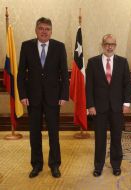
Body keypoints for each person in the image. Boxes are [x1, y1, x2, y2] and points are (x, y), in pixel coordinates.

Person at [17, 17, 69, 178]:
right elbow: (20, 74)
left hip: (53, 98)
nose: (44, 31)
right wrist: (23, 94)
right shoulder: (26, 46)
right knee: (34, 133)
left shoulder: (59, 47)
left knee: (54, 133)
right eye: (41, 28)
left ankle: (54, 165)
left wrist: (63, 95)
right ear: (36, 30)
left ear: (51, 31)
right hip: (32, 98)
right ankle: (36, 165)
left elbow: (64, 74)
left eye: (47, 29)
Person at [86, 34, 131, 177]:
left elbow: (127, 85)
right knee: (99, 138)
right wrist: (90, 105)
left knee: (116, 138)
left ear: (115, 46)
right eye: (106, 44)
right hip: (98, 108)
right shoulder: (92, 62)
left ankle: (116, 165)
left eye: (112, 44)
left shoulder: (123, 62)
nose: (109, 47)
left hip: (117, 107)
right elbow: (89, 87)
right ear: (102, 45)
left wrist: (126, 103)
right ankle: (98, 166)